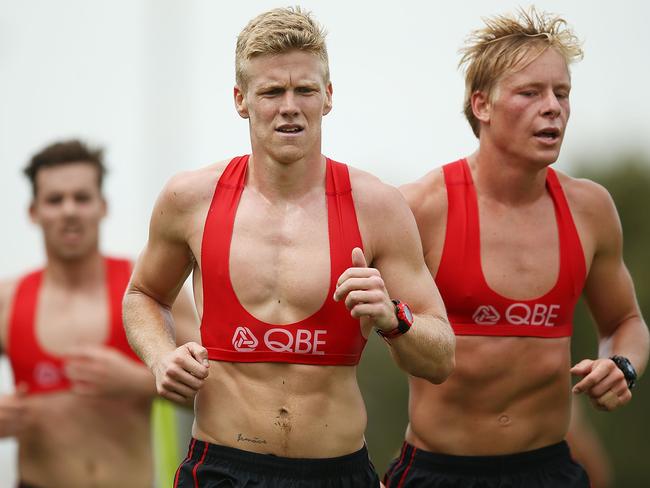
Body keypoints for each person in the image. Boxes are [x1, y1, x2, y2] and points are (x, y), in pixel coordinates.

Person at [123, 6, 455, 488]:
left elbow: (442, 358)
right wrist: (161, 357)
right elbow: (143, 295)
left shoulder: (377, 206)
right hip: (221, 467)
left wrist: (394, 316)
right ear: (241, 100)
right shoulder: (190, 198)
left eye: (304, 90)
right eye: (272, 91)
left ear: (329, 96)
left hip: (336, 471)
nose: (289, 106)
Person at [384, 7, 649, 488]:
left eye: (562, 93)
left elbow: (625, 323)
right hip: (438, 472)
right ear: (481, 105)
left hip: (550, 470)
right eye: (530, 93)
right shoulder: (421, 207)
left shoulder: (591, 209)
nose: (553, 107)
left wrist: (622, 365)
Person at [0, 139, 197, 488]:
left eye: (82, 197)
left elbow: (220, 393)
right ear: (33, 211)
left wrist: (140, 379)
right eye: (55, 200)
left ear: (102, 206)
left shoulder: (149, 294)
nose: (69, 210)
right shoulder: (9, 299)